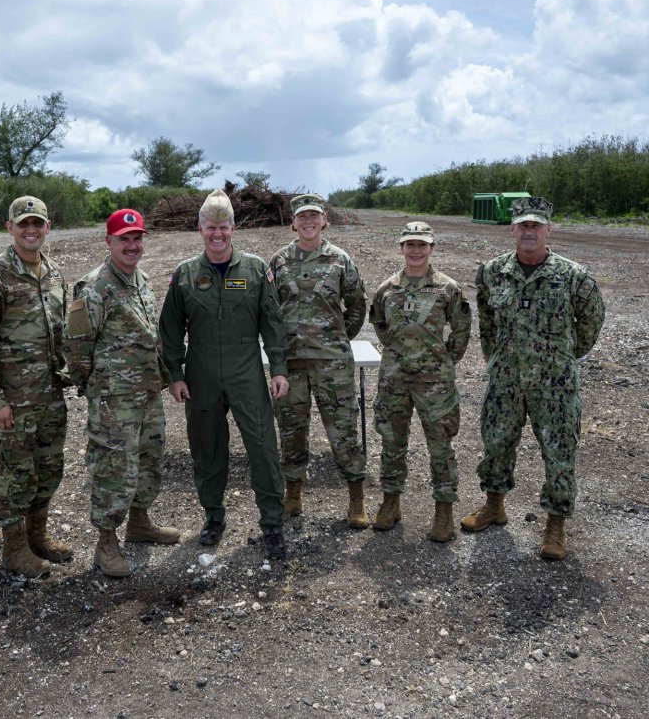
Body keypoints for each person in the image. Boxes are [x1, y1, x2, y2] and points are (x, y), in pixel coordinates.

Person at [461, 196, 605, 560]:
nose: (529, 231)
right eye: (523, 225)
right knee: (496, 442)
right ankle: (494, 506)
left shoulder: (573, 276)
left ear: (547, 229)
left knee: (559, 452)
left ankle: (555, 525)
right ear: (512, 229)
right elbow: (488, 322)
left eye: (535, 226)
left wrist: (563, 357)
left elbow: (590, 324)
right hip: (506, 378)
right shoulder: (492, 272)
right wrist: (496, 358)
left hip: (555, 383)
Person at [158, 188, 290, 560]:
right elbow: (169, 329)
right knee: (207, 448)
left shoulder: (255, 269)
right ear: (200, 229)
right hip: (201, 374)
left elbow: (273, 323)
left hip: (246, 369)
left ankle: (272, 524)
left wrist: (278, 368)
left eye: (224, 227)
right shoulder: (185, 274)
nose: (217, 234)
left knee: (263, 446)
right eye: (210, 227)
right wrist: (175, 374)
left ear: (234, 227)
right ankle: (213, 517)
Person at [63, 208, 181, 578]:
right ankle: (106, 542)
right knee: (114, 467)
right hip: (114, 400)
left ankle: (140, 521)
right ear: (109, 241)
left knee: (148, 459)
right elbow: (76, 347)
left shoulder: (140, 279)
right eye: (124, 239)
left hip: (147, 394)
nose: (132, 245)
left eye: (137, 238)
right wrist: (95, 387)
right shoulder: (94, 287)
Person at [0, 196, 72, 578]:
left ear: (48, 227)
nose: (31, 230)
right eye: (23, 223)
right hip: (13, 402)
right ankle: (13, 551)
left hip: (49, 397)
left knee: (48, 470)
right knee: (14, 476)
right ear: (9, 227)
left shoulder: (55, 275)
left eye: (37, 223)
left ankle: (36, 537)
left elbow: (62, 336)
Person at [268, 193, 369, 528]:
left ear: (324, 220)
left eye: (314, 216)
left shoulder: (341, 260)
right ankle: (293, 495)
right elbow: (268, 309)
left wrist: (336, 338)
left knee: (343, 432)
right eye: (302, 217)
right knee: (292, 430)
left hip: (332, 363)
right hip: (292, 362)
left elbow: (356, 306)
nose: (308, 222)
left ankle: (356, 497)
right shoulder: (279, 261)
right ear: (293, 222)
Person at [368, 222, 471, 542]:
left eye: (422, 245)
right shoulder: (387, 288)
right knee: (392, 442)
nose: (415, 250)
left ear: (431, 248)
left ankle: (444, 512)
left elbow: (462, 329)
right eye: (410, 244)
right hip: (394, 379)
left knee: (440, 445)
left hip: (434, 382)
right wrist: (402, 355)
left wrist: (443, 359)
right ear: (401, 248)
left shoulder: (447, 288)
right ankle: (390, 502)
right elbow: (380, 325)